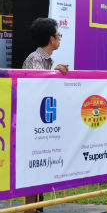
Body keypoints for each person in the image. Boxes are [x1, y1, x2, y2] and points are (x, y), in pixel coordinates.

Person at [22, 18, 68, 213]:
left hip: (42, 121)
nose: (60, 38)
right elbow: (36, 88)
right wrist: (53, 75)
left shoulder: (47, 60)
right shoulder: (35, 59)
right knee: (33, 166)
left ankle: (36, 206)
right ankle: (30, 209)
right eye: (58, 35)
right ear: (51, 39)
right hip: (32, 122)